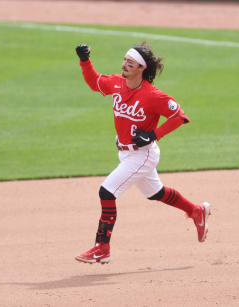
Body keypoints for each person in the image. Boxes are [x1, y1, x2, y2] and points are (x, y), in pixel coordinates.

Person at [74, 42, 211, 264]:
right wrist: (85, 60)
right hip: (125, 153)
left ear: (141, 68)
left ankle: (102, 248)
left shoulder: (153, 95)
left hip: (142, 154)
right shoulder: (117, 83)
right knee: (155, 193)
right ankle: (196, 211)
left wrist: (154, 134)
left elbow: (180, 117)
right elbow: (95, 83)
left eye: (131, 63)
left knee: (107, 192)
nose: (125, 65)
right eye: (125, 61)